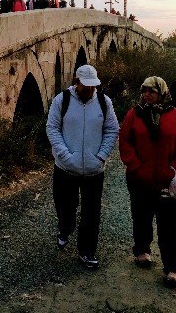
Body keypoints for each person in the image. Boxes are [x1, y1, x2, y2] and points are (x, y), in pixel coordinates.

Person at [119, 76, 176, 288]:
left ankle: (172, 268)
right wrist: (135, 166)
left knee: (169, 225)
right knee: (141, 217)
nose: (147, 94)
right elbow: (125, 141)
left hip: (166, 180)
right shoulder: (134, 114)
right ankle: (142, 250)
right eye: (144, 90)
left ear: (162, 92)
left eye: (152, 91)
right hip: (138, 178)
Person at [46, 65, 119, 269]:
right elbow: (52, 128)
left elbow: (112, 130)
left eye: (92, 86)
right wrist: (65, 155)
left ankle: (87, 252)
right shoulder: (62, 100)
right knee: (65, 206)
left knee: (91, 213)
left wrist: (101, 156)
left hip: (94, 169)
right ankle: (65, 228)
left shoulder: (104, 102)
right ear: (76, 82)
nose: (89, 90)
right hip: (66, 168)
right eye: (85, 86)